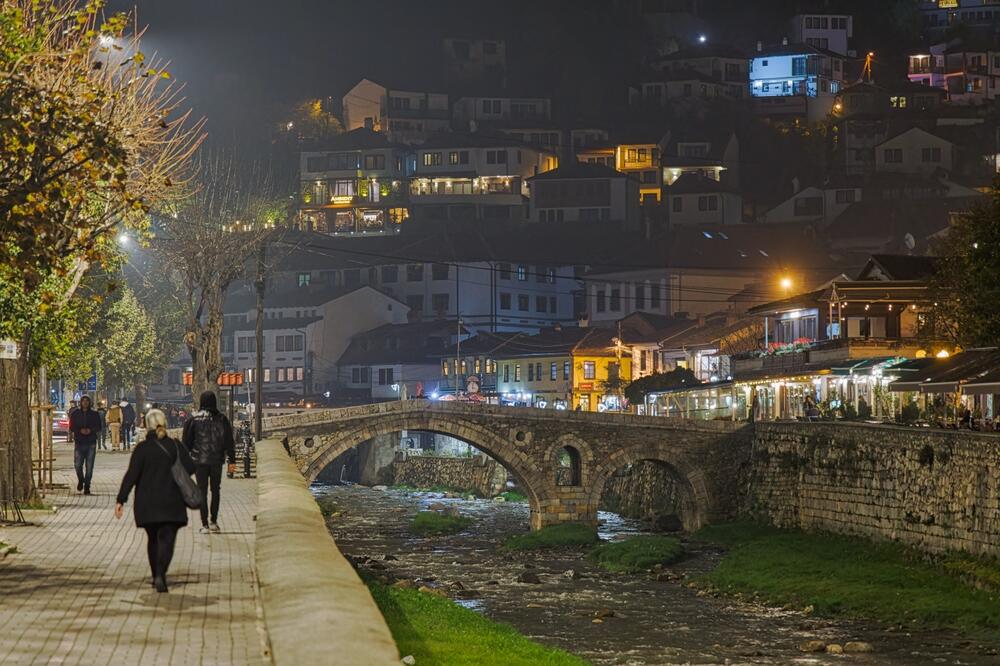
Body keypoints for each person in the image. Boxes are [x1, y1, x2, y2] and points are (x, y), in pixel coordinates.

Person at [115, 409, 196, 593]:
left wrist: (121, 499)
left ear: (146, 426)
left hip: (147, 503)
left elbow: (131, 475)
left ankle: (155, 575)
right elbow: (191, 467)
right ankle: (161, 573)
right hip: (172, 501)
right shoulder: (175, 446)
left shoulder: (142, 449)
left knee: (153, 539)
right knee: (167, 540)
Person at [182, 391, 236, 534]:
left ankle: (204, 524)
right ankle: (214, 521)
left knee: (202, 491)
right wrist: (232, 461)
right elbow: (229, 442)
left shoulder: (193, 420)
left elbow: (186, 443)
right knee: (215, 490)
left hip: (199, 462)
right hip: (217, 461)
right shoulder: (222, 420)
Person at [69, 395, 101, 494]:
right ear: (81, 402)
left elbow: (99, 426)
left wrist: (90, 430)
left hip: (91, 442)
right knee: (77, 465)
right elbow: (72, 427)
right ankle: (81, 480)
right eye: (83, 401)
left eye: (87, 400)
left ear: (89, 402)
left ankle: (87, 486)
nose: (85, 402)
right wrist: (79, 430)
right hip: (79, 442)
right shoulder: (75, 414)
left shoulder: (94, 414)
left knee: (89, 466)